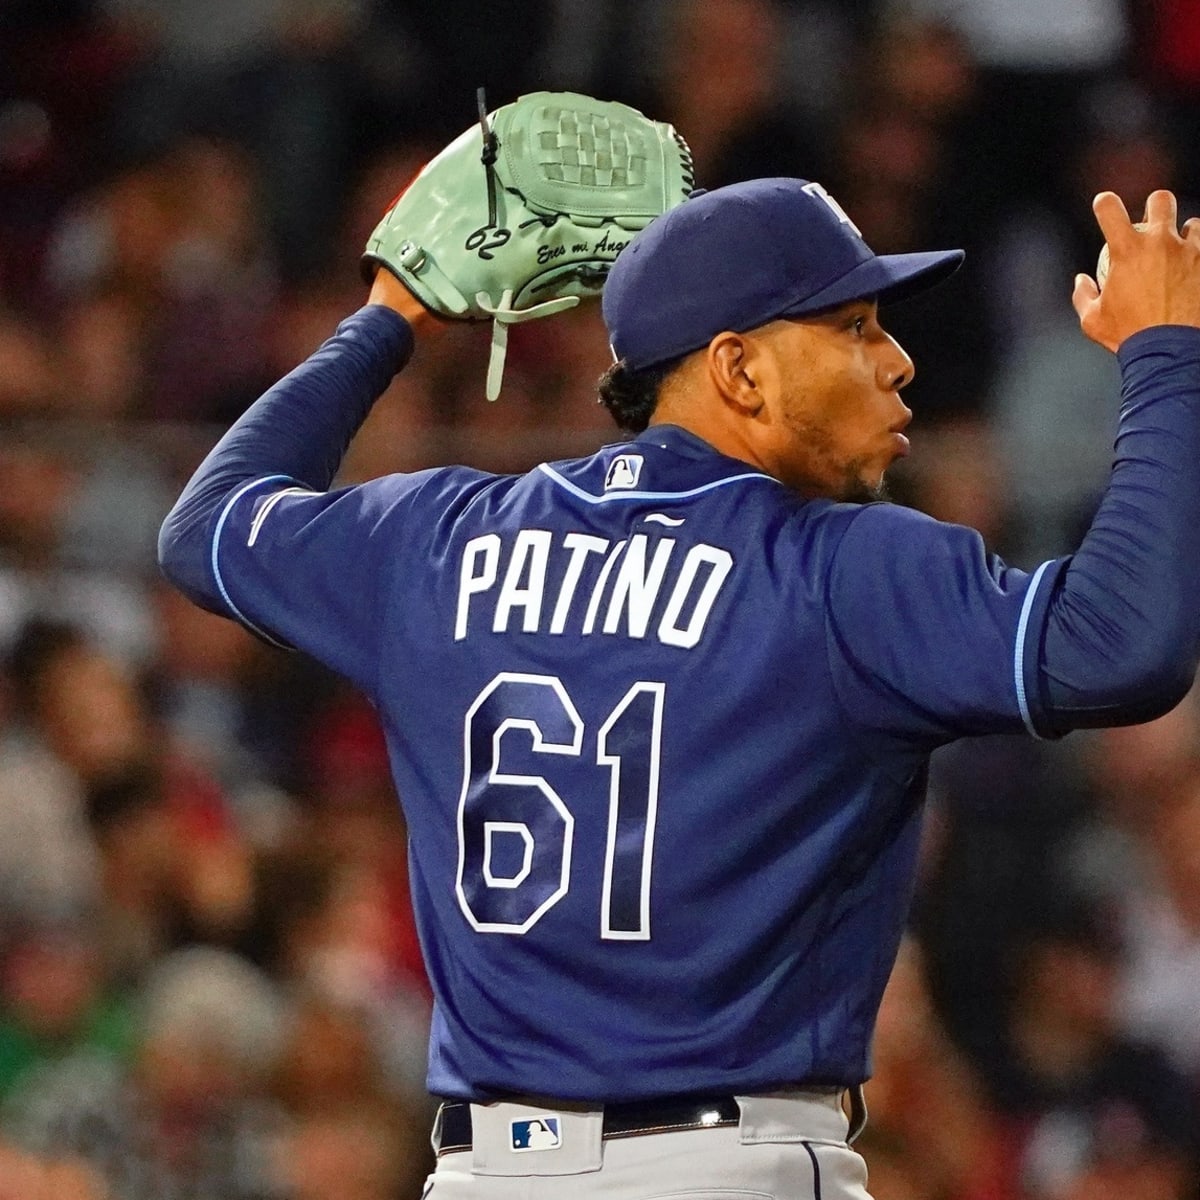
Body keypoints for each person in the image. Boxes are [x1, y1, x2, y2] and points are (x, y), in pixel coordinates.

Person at [158, 163, 1200, 1200]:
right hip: (726, 1166)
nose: (898, 362)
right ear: (740, 369)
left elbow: (207, 524)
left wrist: (389, 315)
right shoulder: (839, 569)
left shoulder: (436, 540)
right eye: (854, 327)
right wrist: (1166, 359)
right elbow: (1118, 647)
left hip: (487, 1175)